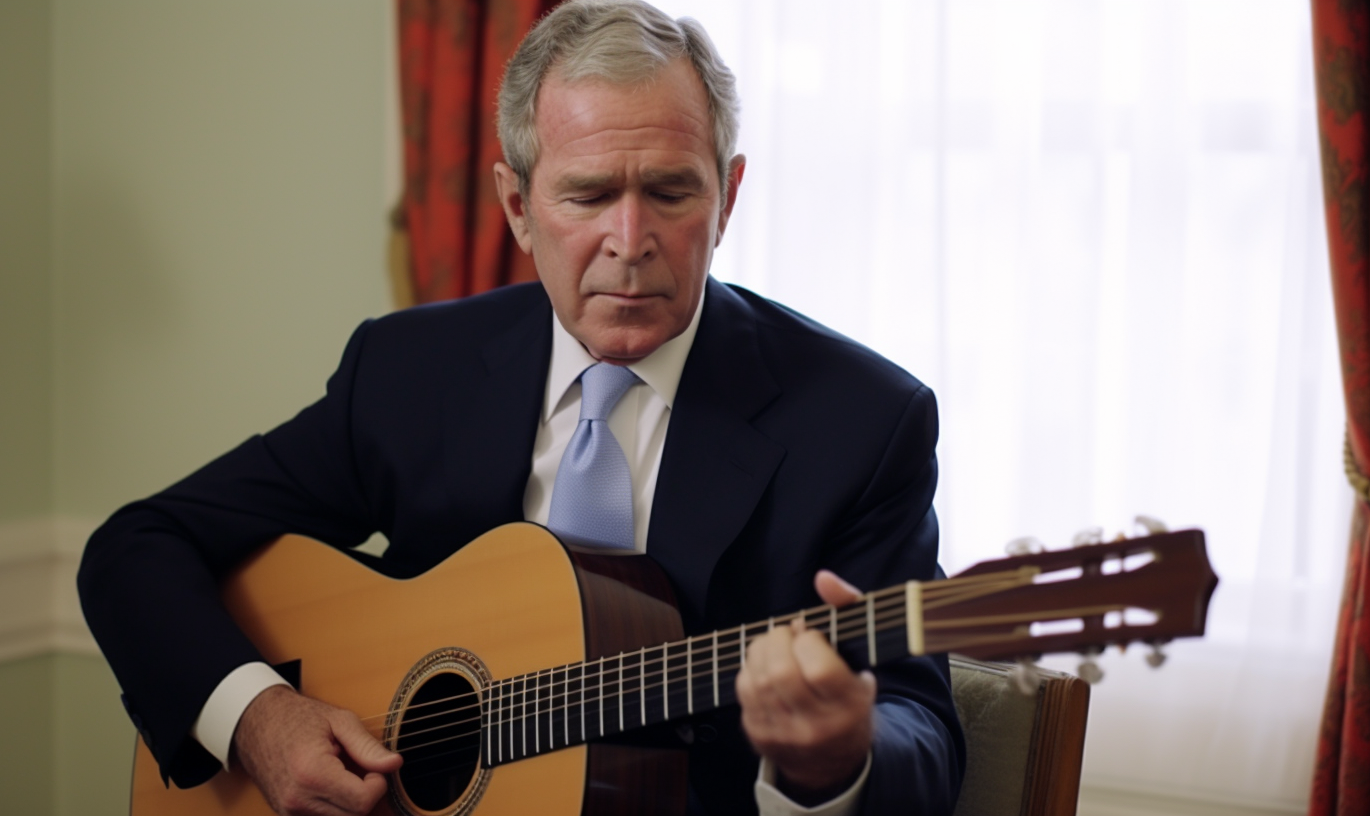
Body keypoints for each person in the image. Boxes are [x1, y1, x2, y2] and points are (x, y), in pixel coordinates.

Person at [78, 2, 965, 814]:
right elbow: (136, 550)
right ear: (517, 205)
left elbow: (922, 731)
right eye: (586, 195)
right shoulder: (410, 372)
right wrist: (261, 717)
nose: (630, 241)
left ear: (727, 198)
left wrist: (839, 757)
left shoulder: (863, 421)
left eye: (670, 191)